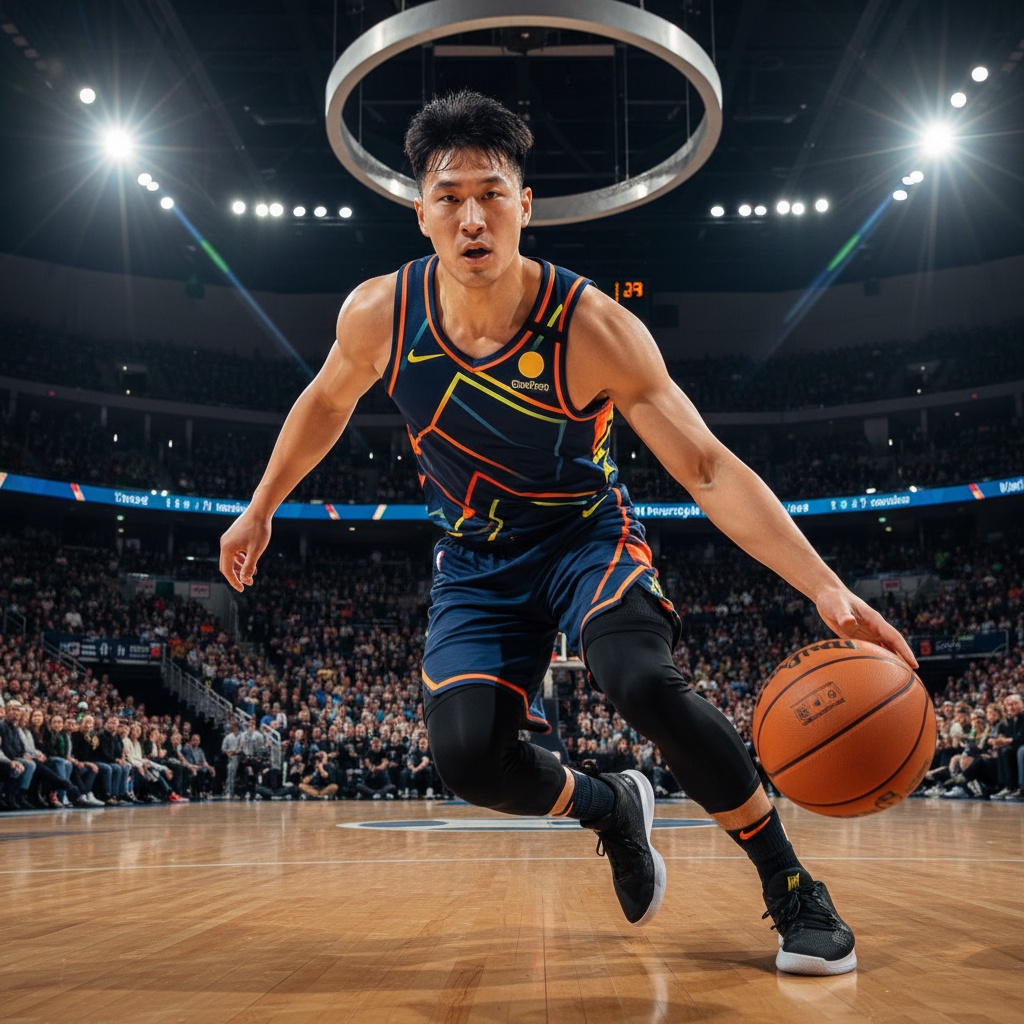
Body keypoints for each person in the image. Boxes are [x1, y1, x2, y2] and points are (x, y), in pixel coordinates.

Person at [220, 89, 918, 976]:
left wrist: (826, 587)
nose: (472, 217)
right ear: (420, 210)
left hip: (586, 539)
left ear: (525, 205)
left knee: (642, 682)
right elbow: (325, 402)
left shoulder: (591, 326)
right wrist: (262, 504)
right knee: (468, 758)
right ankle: (609, 809)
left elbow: (704, 468)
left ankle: (789, 885)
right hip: (474, 560)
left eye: (492, 192)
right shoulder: (378, 314)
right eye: (449, 195)